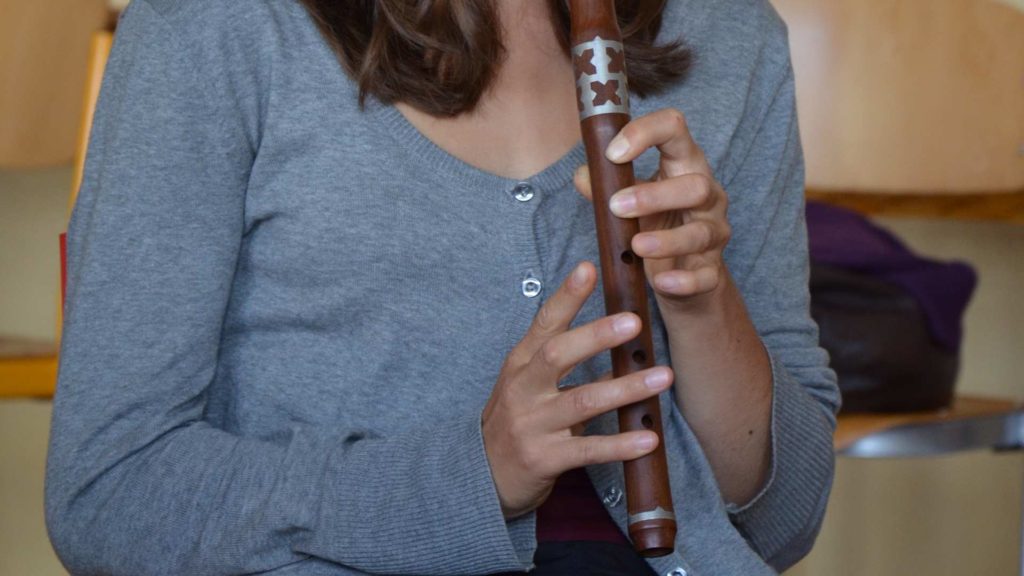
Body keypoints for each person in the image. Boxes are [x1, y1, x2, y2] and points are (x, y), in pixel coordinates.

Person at [45, 0, 840, 575]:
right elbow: (107, 494)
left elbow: (783, 519)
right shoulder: (214, 26)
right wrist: (467, 479)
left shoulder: (732, 35)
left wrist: (701, 304)